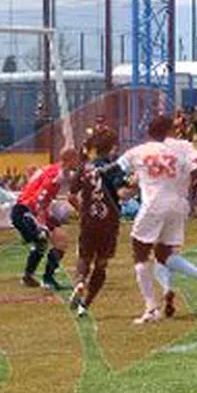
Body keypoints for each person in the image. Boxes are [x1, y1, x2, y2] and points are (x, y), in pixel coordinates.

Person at [117, 115, 197, 325]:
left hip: (153, 204)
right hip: (178, 206)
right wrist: (187, 186)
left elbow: (117, 171)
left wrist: (131, 181)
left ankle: (151, 308)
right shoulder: (179, 151)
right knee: (164, 254)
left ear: (148, 132)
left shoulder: (139, 151)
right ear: (169, 131)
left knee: (140, 254)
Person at [67, 129, 128, 316]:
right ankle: (85, 305)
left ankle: (80, 282)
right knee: (101, 264)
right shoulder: (114, 168)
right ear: (112, 147)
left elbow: (71, 195)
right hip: (109, 222)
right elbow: (122, 193)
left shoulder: (84, 167)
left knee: (84, 257)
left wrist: (82, 211)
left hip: (89, 221)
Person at [13, 148, 80, 290]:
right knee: (42, 240)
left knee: (61, 240)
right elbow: (40, 200)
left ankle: (37, 277)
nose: (78, 162)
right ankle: (41, 278)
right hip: (26, 210)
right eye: (76, 159)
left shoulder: (56, 171)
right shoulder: (54, 176)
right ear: (69, 160)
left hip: (33, 210)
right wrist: (42, 223)